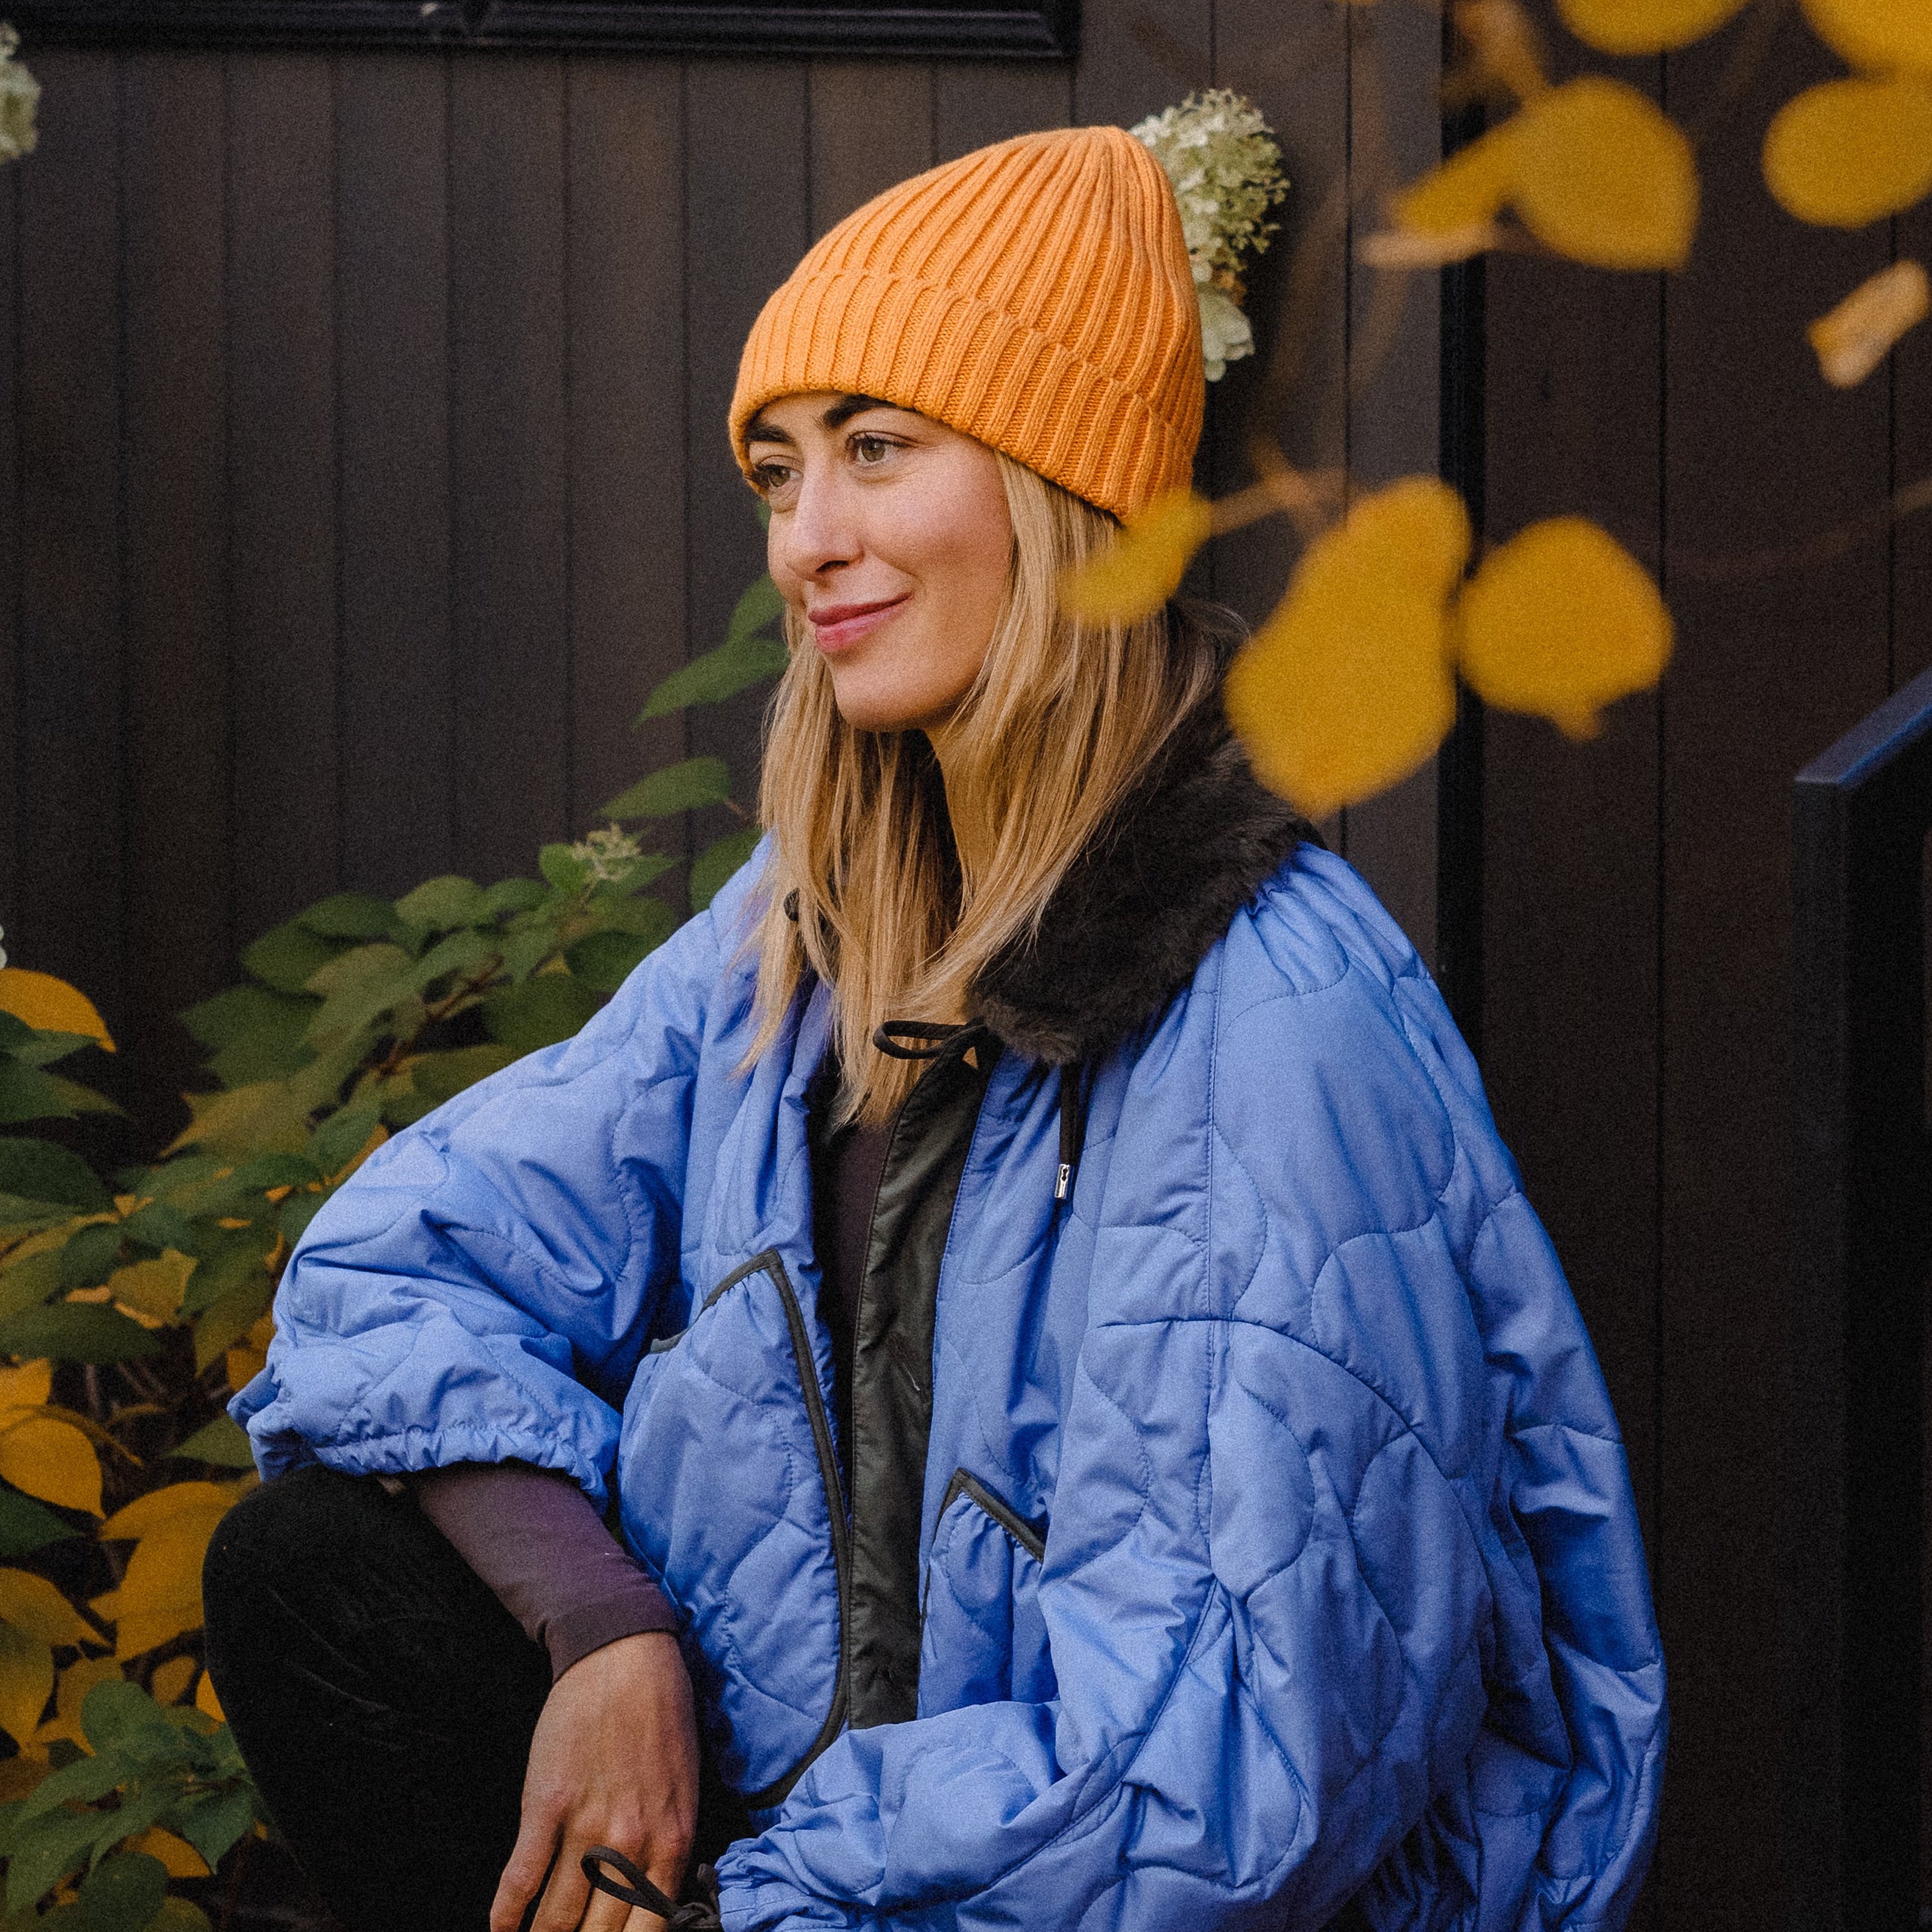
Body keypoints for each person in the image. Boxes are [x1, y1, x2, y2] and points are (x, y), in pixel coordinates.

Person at [203, 124, 1666, 1932]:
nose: (810, 543)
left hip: (1108, 1889)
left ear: (1067, 491)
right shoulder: (807, 934)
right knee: (312, 1573)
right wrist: (607, 1635)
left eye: (880, 452)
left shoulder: (1264, 1022)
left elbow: (1214, 1778)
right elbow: (392, 1277)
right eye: (778, 471)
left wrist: (750, 1906)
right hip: (811, 1846)